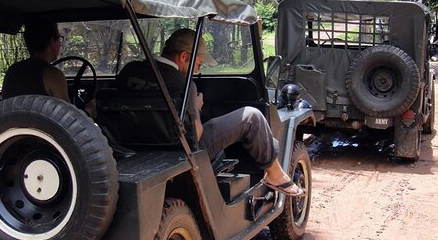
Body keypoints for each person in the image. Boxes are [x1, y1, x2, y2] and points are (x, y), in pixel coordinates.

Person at [117, 28, 302, 196]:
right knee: (251, 116)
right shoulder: (184, 85)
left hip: (129, 146)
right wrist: (196, 107)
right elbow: (195, 135)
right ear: (183, 57)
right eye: (199, 60)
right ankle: (274, 173)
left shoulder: (128, 71)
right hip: (180, 151)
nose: (200, 65)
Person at [2, 19, 70, 101]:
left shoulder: (12, 71)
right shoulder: (53, 75)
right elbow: (67, 113)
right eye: (59, 38)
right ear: (52, 41)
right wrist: (88, 110)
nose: (60, 43)